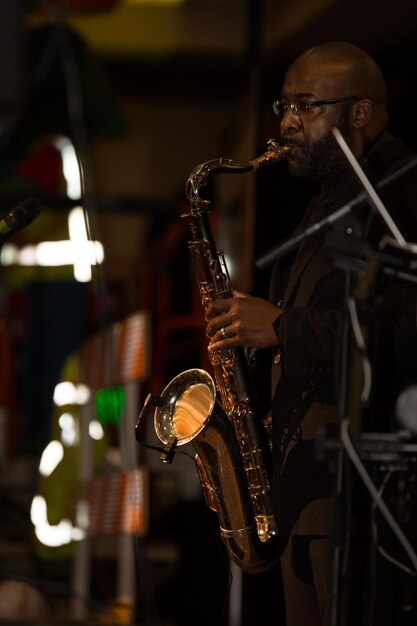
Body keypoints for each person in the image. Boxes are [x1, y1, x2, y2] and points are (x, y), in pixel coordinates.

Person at [205, 42, 417, 625]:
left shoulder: (402, 197)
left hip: (362, 496)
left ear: (359, 113)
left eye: (306, 106)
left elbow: (404, 334)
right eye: (284, 105)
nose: (286, 123)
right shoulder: (329, 202)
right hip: (305, 486)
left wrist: (280, 326)